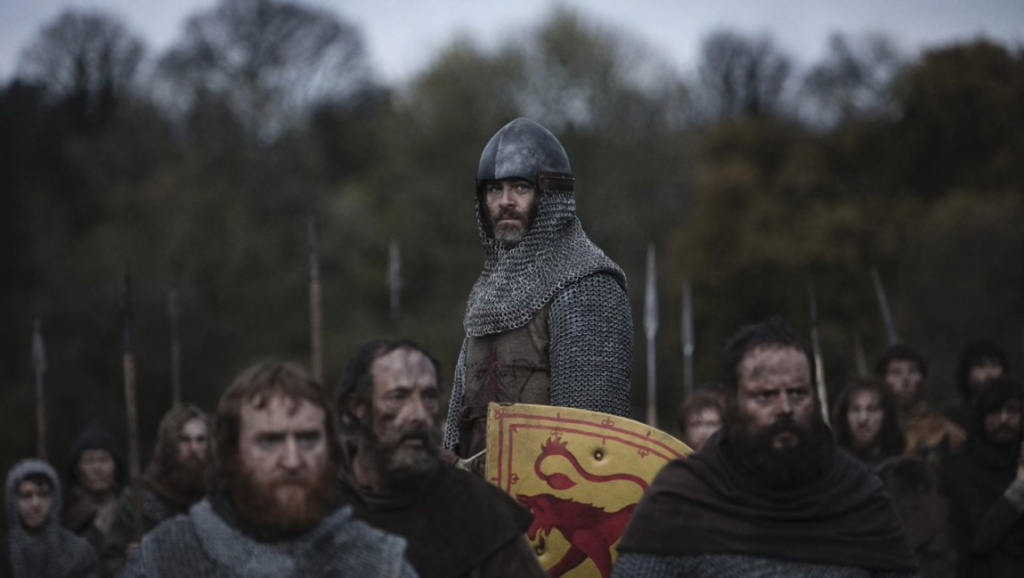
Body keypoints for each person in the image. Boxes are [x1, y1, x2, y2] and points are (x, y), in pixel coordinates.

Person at [613, 317, 918, 577]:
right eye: (765, 395)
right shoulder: (683, 496)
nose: (785, 408)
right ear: (730, 402)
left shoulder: (858, 498)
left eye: (798, 393)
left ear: (816, 396)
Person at [444, 118, 633, 470]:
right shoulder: (492, 290)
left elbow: (592, 440)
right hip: (477, 502)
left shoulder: (587, 285)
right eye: (494, 190)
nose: (504, 202)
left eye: (520, 188)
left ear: (550, 196)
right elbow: (460, 419)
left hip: (548, 502)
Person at [119, 360, 416, 578]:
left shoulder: (379, 565)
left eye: (308, 439)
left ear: (331, 448)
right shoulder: (166, 557)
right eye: (270, 441)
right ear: (233, 454)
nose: (292, 460)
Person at [336, 338, 546, 578]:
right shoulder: (317, 499)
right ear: (358, 407)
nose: (418, 414)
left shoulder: (479, 509)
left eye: (428, 397)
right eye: (398, 397)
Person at [101, 404, 211, 577]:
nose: (193, 448)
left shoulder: (222, 500)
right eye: (184, 440)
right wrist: (129, 561)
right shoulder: (138, 501)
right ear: (169, 446)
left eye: (200, 440)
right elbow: (109, 563)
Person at [943, 377, 1024, 578]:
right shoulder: (962, 467)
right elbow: (979, 539)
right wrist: (1020, 487)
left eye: (1012, 411)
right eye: (995, 412)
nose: (1004, 419)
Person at [3, 459, 97, 578]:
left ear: (55, 498)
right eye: (26, 496)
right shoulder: (4, 555)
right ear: (13, 502)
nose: (36, 504)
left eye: (43, 494)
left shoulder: (79, 553)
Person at [876, 343, 966, 465]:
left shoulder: (948, 432)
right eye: (896, 373)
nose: (905, 379)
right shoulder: (873, 429)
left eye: (912, 371)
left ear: (922, 379)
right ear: (883, 380)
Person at [62, 422, 128, 554]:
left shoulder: (132, 508)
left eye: (104, 459)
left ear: (116, 465)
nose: (97, 468)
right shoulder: (64, 513)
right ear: (77, 469)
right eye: (89, 461)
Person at [832, 376, 906, 466]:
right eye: (856, 409)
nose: (862, 419)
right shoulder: (833, 467)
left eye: (872, 410)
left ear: (887, 415)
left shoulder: (899, 467)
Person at [944, 338, 1009, 431]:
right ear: (967, 372)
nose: (989, 373)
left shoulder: (1015, 411)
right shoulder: (951, 415)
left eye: (994, 365)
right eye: (980, 366)